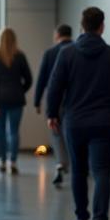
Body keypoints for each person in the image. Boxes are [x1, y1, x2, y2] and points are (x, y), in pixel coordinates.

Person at [46, 6, 110, 220]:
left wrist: (52, 114)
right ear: (102, 26)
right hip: (104, 122)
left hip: (75, 121)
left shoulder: (68, 53)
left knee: (79, 171)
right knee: (102, 172)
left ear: (82, 26)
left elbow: (55, 86)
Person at [34, 24, 73, 186]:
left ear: (57, 35)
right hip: (73, 100)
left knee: (56, 133)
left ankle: (61, 162)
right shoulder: (76, 51)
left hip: (54, 99)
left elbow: (42, 79)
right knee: (71, 133)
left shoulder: (50, 53)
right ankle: (74, 164)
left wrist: (37, 101)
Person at [0, 27, 32, 174]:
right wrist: (21, 90)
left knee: (0, 129)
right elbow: (29, 79)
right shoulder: (20, 56)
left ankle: (2, 160)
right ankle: (13, 161)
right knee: (14, 131)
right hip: (16, 98)